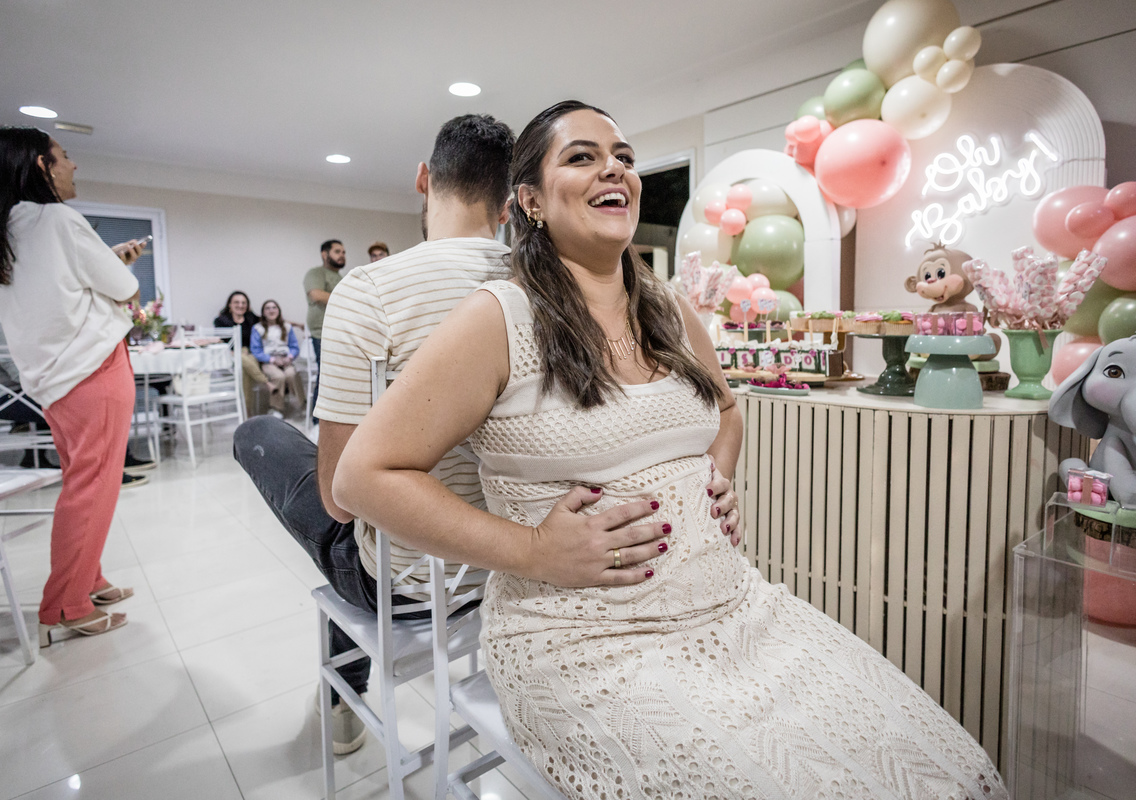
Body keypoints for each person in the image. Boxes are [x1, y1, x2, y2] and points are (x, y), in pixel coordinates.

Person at [331, 102, 1008, 798]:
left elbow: (726, 409)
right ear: (528, 200)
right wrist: (531, 549)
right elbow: (362, 476)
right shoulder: (499, 317)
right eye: (582, 156)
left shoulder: (666, 306)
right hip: (585, 644)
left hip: (735, 609)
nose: (613, 168)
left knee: (952, 771)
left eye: (623, 157)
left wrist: (717, 477)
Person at [233, 113, 516, 755]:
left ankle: (342, 699)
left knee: (264, 437)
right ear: (507, 203)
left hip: (412, 586)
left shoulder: (370, 289)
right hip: (510, 567)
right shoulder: (542, 287)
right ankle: (340, 698)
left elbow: (339, 499)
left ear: (423, 179)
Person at [0, 125, 144, 647]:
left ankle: (87, 578)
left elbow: (60, 290)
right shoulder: (59, 219)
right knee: (93, 487)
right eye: (64, 156)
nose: (73, 165)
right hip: (93, 368)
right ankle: (65, 603)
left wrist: (104, 260)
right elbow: (125, 287)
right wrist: (115, 265)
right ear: (40, 165)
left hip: (54, 379)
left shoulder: (3, 231)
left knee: (81, 481)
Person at [0, 311, 154, 480]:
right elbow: (17, 373)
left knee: (85, 397)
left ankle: (103, 467)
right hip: (6, 398)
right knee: (89, 404)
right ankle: (101, 472)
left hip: (19, 392)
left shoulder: (12, 320)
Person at [303, 239, 345, 421]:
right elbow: (316, 295)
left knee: (339, 376)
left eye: (343, 252)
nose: (342, 255)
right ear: (324, 254)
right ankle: (317, 423)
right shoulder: (316, 273)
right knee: (326, 377)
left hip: (340, 332)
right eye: (337, 251)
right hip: (322, 333)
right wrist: (349, 297)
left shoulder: (342, 278)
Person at [214, 291, 267, 415]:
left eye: (243, 303)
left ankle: (246, 412)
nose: (240, 305)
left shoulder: (251, 318)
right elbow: (220, 342)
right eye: (236, 302)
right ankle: (265, 381)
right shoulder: (221, 321)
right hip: (230, 355)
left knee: (244, 367)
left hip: (248, 354)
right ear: (230, 305)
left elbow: (272, 319)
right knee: (242, 360)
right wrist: (233, 352)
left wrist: (296, 324)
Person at [249, 299, 302, 417]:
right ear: (263, 312)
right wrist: (272, 360)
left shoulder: (287, 327)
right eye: (267, 308)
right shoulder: (258, 328)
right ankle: (276, 408)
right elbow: (256, 350)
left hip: (286, 360)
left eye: (274, 307)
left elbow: (294, 347)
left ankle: (302, 404)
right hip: (268, 361)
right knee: (279, 376)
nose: (271, 310)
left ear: (278, 311)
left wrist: (289, 357)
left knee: (291, 374)